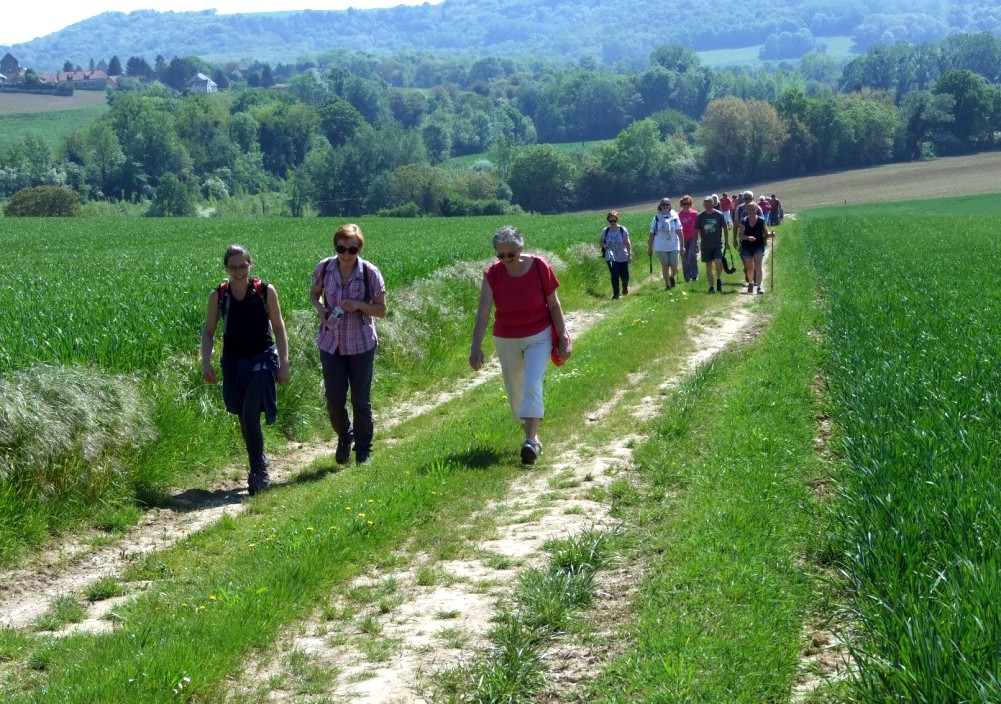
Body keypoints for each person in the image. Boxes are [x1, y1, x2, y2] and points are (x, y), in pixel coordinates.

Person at [469, 226, 571, 465]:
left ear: (521, 249)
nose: (506, 260)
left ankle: (530, 440)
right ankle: (531, 430)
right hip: (506, 337)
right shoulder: (492, 274)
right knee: (515, 389)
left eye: (511, 254)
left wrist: (563, 336)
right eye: (500, 255)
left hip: (539, 333)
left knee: (533, 382)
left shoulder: (539, 266)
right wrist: (476, 346)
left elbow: (554, 305)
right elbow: (483, 314)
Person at [202, 244, 291, 496]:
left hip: (262, 358)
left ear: (250, 264)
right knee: (243, 415)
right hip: (233, 362)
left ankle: (257, 473)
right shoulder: (219, 296)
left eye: (243, 265)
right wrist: (205, 361)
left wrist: (284, 362)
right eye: (233, 267)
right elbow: (208, 332)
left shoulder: (265, 291)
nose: (239, 271)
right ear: (226, 268)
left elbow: (279, 327)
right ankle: (259, 459)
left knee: (250, 412)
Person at [309, 223, 387, 466]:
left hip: (361, 343)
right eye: (341, 248)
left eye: (351, 250)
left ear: (359, 249)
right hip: (331, 343)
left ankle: (363, 450)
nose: (345, 255)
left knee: (360, 400)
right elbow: (314, 293)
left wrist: (359, 304)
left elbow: (382, 310)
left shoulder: (369, 273)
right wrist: (320, 309)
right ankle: (345, 435)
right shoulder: (324, 267)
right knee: (333, 399)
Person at [694, 195, 729, 294]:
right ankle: (711, 287)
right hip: (705, 245)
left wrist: (726, 242)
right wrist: (696, 244)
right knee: (708, 266)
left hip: (717, 244)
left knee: (718, 262)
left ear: (713, 204)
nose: (708, 206)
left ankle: (719, 279)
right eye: (706, 204)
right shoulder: (700, 216)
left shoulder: (719, 215)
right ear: (703, 205)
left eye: (710, 204)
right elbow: (696, 230)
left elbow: (725, 228)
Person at [738, 203, 774, 295]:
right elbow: (740, 235)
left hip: (759, 245)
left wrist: (771, 235)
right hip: (747, 246)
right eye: (750, 210)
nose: (752, 211)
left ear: (757, 210)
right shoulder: (744, 221)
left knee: (758, 265)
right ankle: (751, 282)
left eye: (753, 209)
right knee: (750, 268)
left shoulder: (761, 221)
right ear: (747, 211)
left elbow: (766, 233)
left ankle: (759, 287)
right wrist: (748, 238)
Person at [648, 197, 683, 289]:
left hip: (674, 244)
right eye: (663, 204)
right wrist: (650, 248)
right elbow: (651, 234)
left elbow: (679, 231)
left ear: (670, 206)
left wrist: (682, 245)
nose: (665, 206)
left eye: (667, 204)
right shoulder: (655, 219)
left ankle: (672, 277)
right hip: (660, 246)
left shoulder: (674, 217)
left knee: (674, 265)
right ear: (660, 206)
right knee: (665, 265)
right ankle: (667, 285)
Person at [599, 211, 632, 299]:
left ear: (617, 220)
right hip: (610, 257)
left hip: (622, 256)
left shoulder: (622, 230)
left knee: (625, 276)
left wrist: (629, 254)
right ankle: (616, 294)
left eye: (614, 220)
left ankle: (625, 288)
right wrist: (605, 246)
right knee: (614, 274)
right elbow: (601, 241)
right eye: (611, 221)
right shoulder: (605, 231)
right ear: (608, 221)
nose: (612, 222)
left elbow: (627, 242)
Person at [677, 195, 700, 283]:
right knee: (685, 259)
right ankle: (687, 278)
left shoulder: (695, 214)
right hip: (682, 239)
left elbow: (698, 227)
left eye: (688, 203)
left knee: (692, 256)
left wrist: (698, 241)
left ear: (690, 204)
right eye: (684, 203)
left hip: (693, 238)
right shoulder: (678, 215)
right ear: (681, 204)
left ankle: (695, 275)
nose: (686, 205)